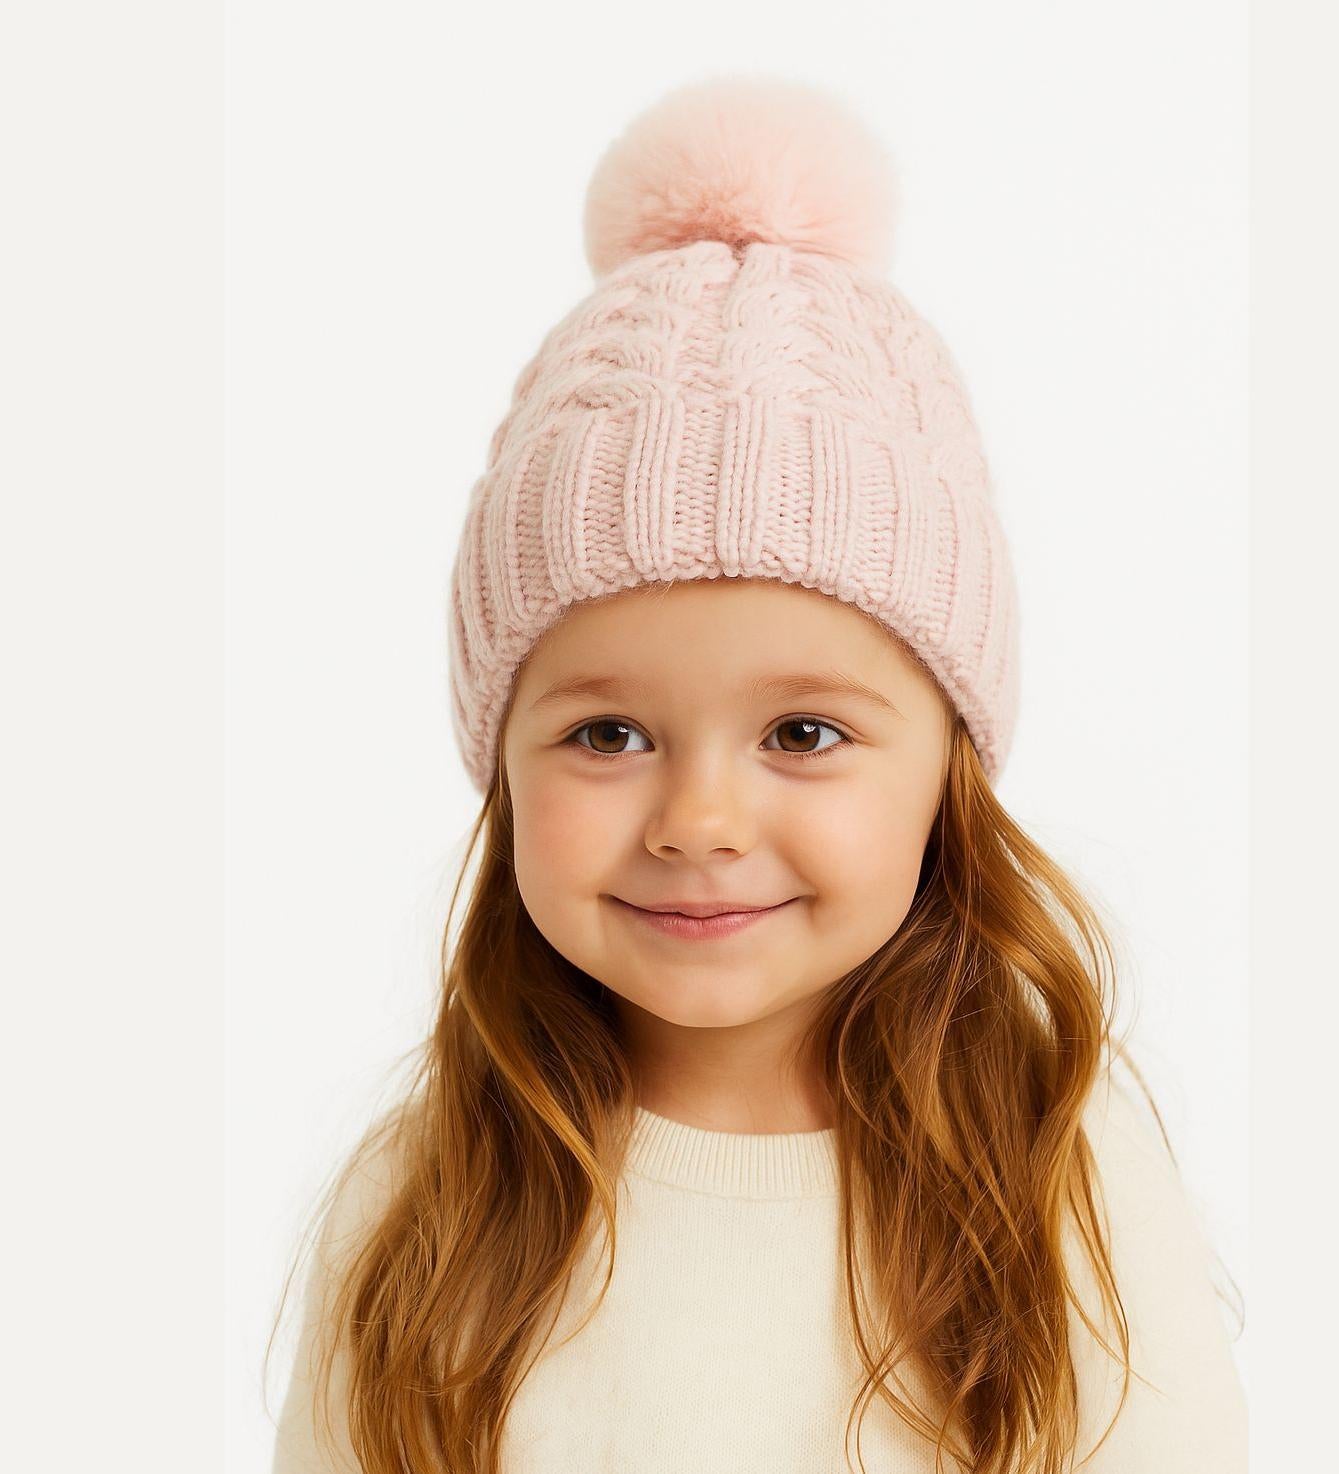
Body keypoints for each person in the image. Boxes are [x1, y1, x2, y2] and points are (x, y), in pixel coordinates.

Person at [267, 74, 1248, 1474]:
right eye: (607, 735)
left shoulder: (1059, 1182)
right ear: (498, 755)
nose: (701, 822)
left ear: (947, 764)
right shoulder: (425, 1202)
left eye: (801, 734)